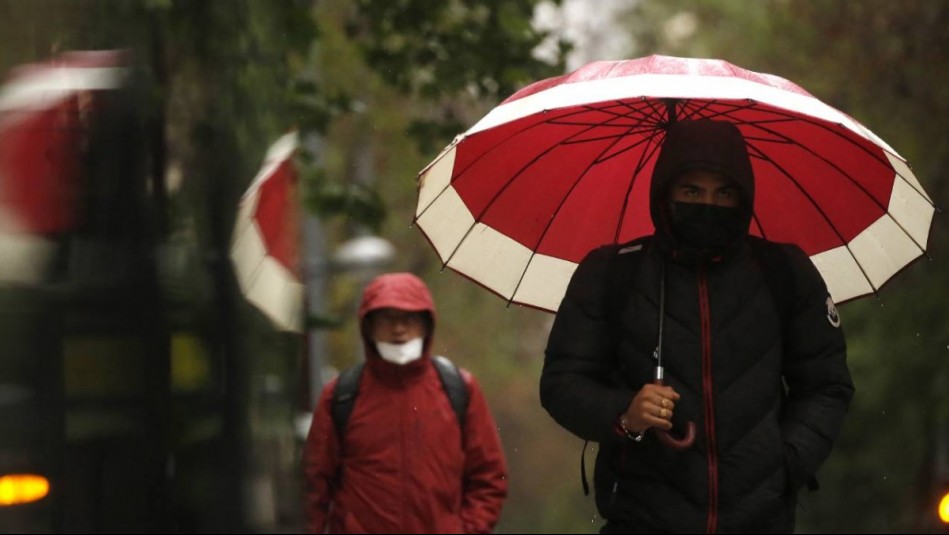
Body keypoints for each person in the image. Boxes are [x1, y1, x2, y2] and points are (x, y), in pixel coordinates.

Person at [540, 119, 854, 533]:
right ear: (665, 193)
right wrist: (625, 415)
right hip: (641, 519)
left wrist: (785, 460)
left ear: (743, 198)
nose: (709, 205)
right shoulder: (612, 273)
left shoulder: (784, 272)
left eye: (723, 192)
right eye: (691, 191)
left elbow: (826, 385)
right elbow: (562, 383)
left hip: (760, 521)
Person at [303, 272, 508, 534]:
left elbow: (489, 477)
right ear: (368, 326)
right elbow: (313, 485)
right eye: (386, 318)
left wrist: (467, 530)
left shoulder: (459, 389)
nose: (398, 329)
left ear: (426, 325)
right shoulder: (341, 395)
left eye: (409, 318)